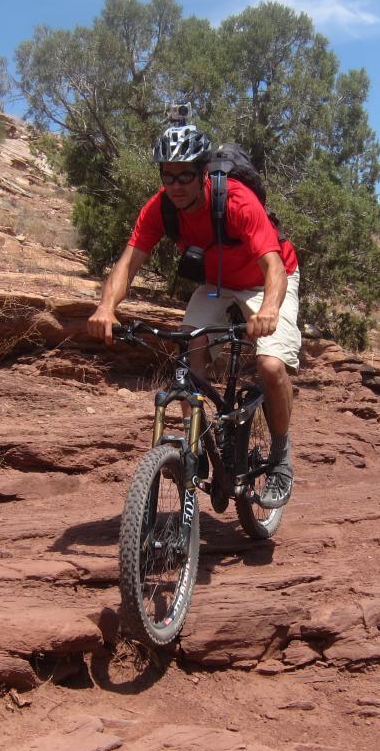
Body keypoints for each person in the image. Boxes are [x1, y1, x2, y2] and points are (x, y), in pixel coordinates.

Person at [87, 122, 300, 508]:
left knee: (269, 366)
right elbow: (128, 262)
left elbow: (273, 267)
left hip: (266, 279)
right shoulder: (160, 207)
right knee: (188, 357)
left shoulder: (236, 201)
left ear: (204, 172)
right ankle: (197, 445)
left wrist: (269, 309)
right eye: (167, 176)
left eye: (186, 174)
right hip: (216, 282)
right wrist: (106, 307)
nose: (176, 184)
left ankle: (281, 458)